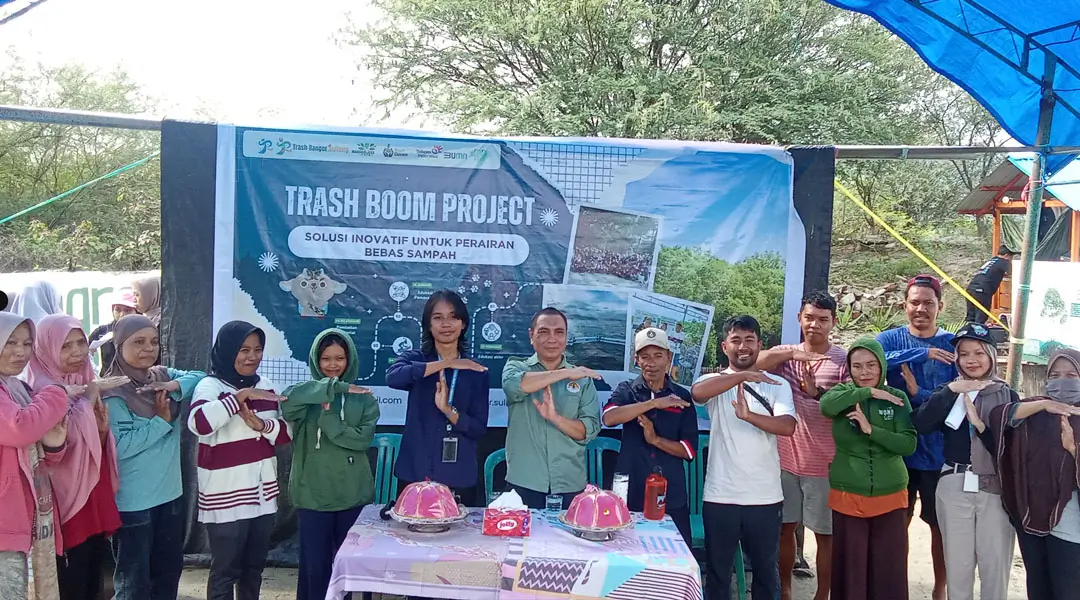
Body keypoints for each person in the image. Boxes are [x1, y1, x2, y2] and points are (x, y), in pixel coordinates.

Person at [691, 315, 796, 600]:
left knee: (765, 573)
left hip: (765, 497)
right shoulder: (712, 381)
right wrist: (742, 376)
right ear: (724, 346)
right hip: (720, 496)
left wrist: (750, 416)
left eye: (750, 340)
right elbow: (697, 393)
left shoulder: (777, 384)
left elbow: (787, 426)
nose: (743, 346)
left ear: (760, 345)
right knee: (718, 574)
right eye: (736, 340)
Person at [102, 314, 205, 600]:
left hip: (170, 498)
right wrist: (161, 421)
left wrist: (175, 387)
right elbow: (121, 448)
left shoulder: (162, 376)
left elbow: (201, 377)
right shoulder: (112, 392)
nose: (148, 348)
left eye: (154, 341)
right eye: (138, 342)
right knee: (133, 584)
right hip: (134, 505)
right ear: (119, 346)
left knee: (167, 576)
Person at [911, 322, 1017, 600]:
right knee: (958, 566)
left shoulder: (1007, 395)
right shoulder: (949, 391)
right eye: (964, 353)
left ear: (991, 356)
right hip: (954, 482)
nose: (972, 360)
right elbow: (920, 424)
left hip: (994, 487)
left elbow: (1011, 450)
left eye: (979, 353)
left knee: (995, 564)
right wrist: (951, 391)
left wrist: (981, 426)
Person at [188, 321, 291, 600]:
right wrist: (240, 397)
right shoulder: (210, 386)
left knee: (253, 569)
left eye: (257, 350)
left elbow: (284, 434)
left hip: (262, 496)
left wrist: (262, 426)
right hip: (226, 497)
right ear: (227, 350)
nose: (252, 357)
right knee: (225, 570)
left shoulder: (265, 385)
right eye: (244, 350)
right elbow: (199, 423)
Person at [755, 291, 847, 600]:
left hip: (826, 464)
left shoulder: (843, 360)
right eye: (809, 318)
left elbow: (848, 406)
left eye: (822, 319)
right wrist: (792, 356)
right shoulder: (786, 354)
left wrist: (816, 392)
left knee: (825, 534)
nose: (815, 325)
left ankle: (822, 594)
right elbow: (755, 362)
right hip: (785, 461)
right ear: (799, 318)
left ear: (833, 322)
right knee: (786, 529)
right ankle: (786, 591)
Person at [27, 315, 126, 600]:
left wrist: (102, 431)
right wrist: (90, 396)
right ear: (47, 348)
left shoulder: (81, 380)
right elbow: (59, 443)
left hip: (91, 493)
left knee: (94, 573)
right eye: (66, 345)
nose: (77, 352)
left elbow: (92, 441)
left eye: (81, 342)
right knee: (73, 577)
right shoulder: (42, 388)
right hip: (64, 500)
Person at [283, 329, 379, 600]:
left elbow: (362, 440)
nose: (333, 365)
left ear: (350, 360)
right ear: (316, 360)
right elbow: (287, 404)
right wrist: (335, 388)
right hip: (312, 496)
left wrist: (331, 423)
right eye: (326, 358)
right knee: (314, 567)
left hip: (352, 495)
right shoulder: (306, 395)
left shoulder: (365, 398)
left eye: (339, 358)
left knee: (347, 568)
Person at [876, 274, 955, 600]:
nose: (921, 309)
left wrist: (918, 392)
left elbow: (955, 394)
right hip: (898, 449)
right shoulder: (889, 339)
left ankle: (940, 589)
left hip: (940, 451)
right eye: (915, 302)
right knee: (897, 524)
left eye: (928, 303)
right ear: (904, 305)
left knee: (941, 526)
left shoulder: (953, 344)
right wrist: (921, 354)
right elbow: (872, 360)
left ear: (940, 306)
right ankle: (897, 588)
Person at [819, 337, 916, 600]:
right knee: (851, 568)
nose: (865, 372)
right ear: (849, 368)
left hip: (891, 495)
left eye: (871, 365)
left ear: (882, 365)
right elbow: (826, 407)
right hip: (848, 495)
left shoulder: (897, 398)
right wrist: (868, 393)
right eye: (857, 366)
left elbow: (908, 444)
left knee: (888, 568)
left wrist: (871, 429)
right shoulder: (842, 395)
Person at [983, 348, 1080, 599]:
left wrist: (1073, 449)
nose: (1062, 381)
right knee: (1038, 588)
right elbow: (1001, 416)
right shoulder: (1036, 410)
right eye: (1055, 375)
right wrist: (1045, 405)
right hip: (1031, 515)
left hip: (1070, 521)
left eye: (1071, 375)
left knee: (1067, 589)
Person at [387, 290, 490, 506]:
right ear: (428, 324)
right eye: (438, 317)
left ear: (463, 323)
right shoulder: (416, 359)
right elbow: (393, 377)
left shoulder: (475, 369)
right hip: (415, 471)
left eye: (453, 317)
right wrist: (447, 363)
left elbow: (478, 429)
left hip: (458, 474)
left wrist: (448, 411)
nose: (446, 324)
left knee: (458, 528)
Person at [0, 313, 73, 600]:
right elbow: (20, 429)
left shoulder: (17, 389)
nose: (20, 351)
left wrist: (54, 446)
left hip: (20, 517)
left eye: (27, 343)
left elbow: (34, 458)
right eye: (10, 342)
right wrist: (57, 392)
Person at [603, 327, 697, 545]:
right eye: (645, 357)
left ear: (669, 357)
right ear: (636, 360)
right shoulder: (627, 390)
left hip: (671, 492)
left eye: (658, 356)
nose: (651, 363)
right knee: (627, 550)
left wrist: (655, 440)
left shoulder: (681, 396)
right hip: (632, 489)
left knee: (677, 552)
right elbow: (609, 418)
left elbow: (688, 450)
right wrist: (654, 403)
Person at [501, 307, 602, 509]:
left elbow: (588, 430)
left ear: (566, 337)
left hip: (570, 483)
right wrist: (564, 374)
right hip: (524, 482)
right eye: (544, 332)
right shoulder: (516, 367)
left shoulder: (582, 379)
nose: (552, 339)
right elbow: (515, 385)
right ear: (531, 336)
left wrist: (556, 418)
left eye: (559, 332)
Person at [88, 290, 138, 376]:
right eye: (117, 310)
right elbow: (84, 351)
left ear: (137, 312)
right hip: (108, 380)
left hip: (135, 380)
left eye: (127, 310)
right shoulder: (103, 331)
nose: (122, 314)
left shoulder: (143, 331)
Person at [964, 245, 1017, 324]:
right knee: (981, 316)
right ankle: (978, 331)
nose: (1011, 260)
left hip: (971, 289)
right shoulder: (1004, 262)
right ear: (1006, 256)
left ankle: (967, 330)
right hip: (982, 291)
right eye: (1011, 257)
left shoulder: (992, 261)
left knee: (971, 317)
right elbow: (1016, 273)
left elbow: (993, 271)